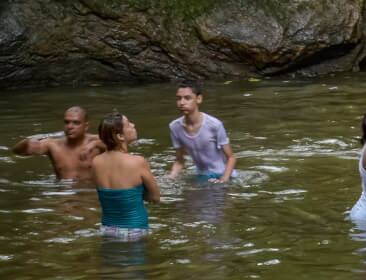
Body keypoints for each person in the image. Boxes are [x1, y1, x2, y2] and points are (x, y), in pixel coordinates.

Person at [91, 112, 160, 240]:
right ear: (120, 136)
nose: (133, 125)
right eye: (128, 124)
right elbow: (155, 197)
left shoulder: (96, 162)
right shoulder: (137, 162)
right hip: (134, 230)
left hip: (107, 230)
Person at [168, 82, 237, 183]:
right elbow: (179, 161)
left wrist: (224, 180)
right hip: (202, 175)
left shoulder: (214, 125)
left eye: (187, 98)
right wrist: (171, 177)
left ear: (199, 99)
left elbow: (231, 157)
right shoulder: (174, 127)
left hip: (224, 174)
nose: (182, 103)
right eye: (179, 98)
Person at [11, 106, 103, 180]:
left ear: (86, 126)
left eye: (76, 123)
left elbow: (117, 146)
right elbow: (16, 152)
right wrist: (26, 143)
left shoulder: (97, 141)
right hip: (63, 194)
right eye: (67, 122)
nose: (70, 126)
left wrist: (94, 144)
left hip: (90, 193)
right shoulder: (52, 145)